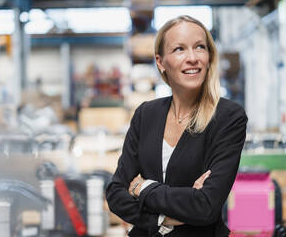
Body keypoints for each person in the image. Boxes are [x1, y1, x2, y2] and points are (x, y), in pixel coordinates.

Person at [106, 15, 248, 236]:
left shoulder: (228, 117)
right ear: (161, 62)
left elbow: (206, 206)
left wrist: (141, 188)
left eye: (200, 47)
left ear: (209, 57)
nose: (192, 58)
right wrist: (163, 218)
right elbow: (116, 193)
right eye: (179, 49)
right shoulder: (146, 114)